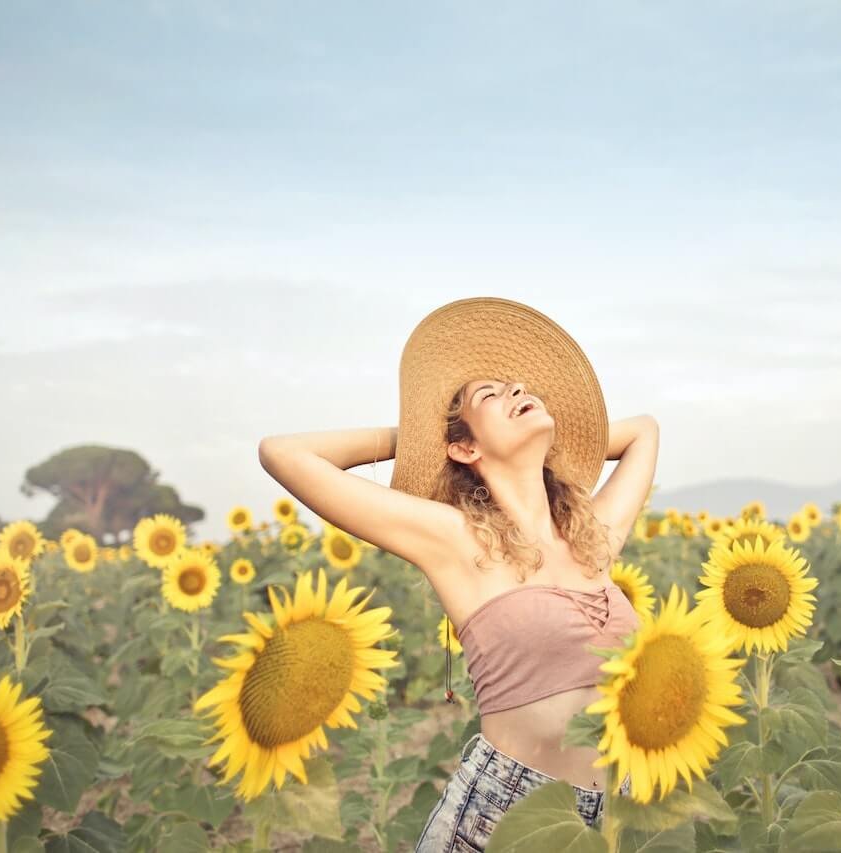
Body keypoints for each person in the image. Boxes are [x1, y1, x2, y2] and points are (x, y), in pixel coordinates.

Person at [257, 297, 660, 850]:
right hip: (504, 813)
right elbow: (283, 453)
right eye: (491, 394)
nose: (518, 391)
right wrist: (420, 442)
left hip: (613, 817)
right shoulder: (455, 539)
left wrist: (558, 435)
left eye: (521, 387)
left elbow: (644, 431)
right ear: (463, 445)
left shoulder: (591, 540)